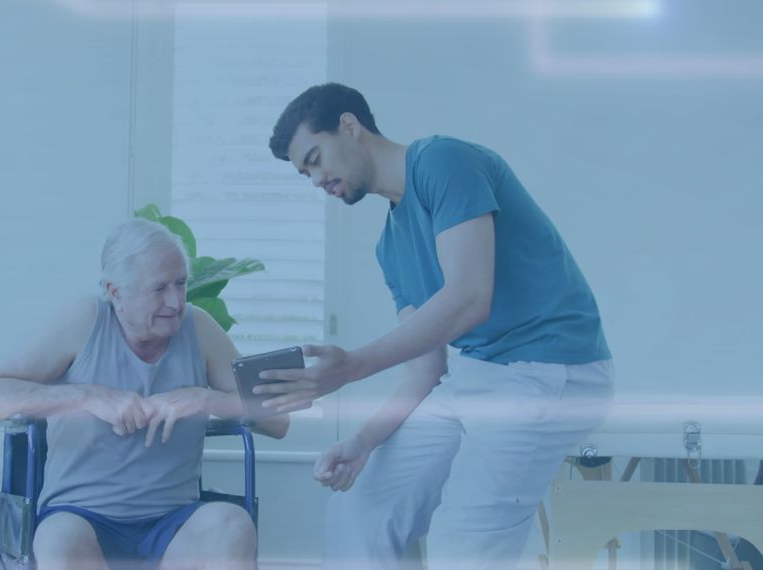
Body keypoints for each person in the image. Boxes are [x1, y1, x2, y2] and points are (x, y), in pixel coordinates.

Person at [260, 83, 613, 570]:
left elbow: (470, 299)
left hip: (548, 369)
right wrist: (362, 443)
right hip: (477, 375)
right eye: (306, 173)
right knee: (359, 507)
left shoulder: (441, 161)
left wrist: (351, 367)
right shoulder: (390, 248)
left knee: (461, 544)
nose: (317, 179)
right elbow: (425, 372)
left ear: (349, 125)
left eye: (316, 159)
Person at [0, 218, 289, 570]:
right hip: (82, 518)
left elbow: (278, 419)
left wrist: (204, 398)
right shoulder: (84, 321)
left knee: (232, 525)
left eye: (181, 284)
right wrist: (87, 397)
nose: (175, 301)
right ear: (115, 292)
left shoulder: (197, 327)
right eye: (159, 289)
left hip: (173, 523)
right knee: (57, 539)